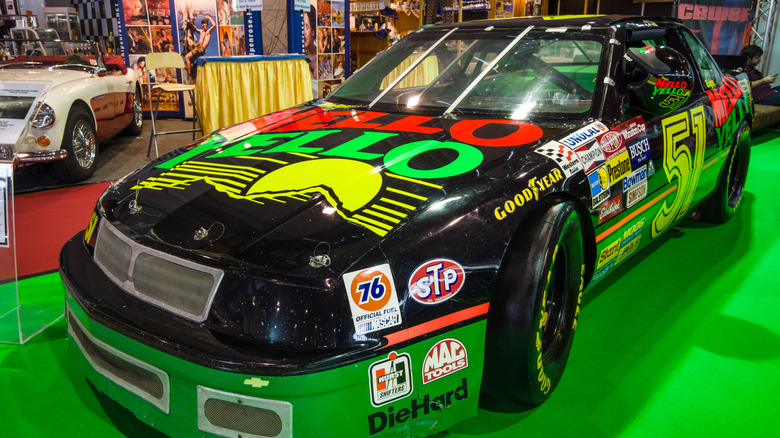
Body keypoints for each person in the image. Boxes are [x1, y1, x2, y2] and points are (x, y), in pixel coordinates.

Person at [304, 7, 317, 79]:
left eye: (307, 27)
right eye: (302, 26)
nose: (304, 32)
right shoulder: (302, 54)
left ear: (313, 32)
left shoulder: (318, 56)